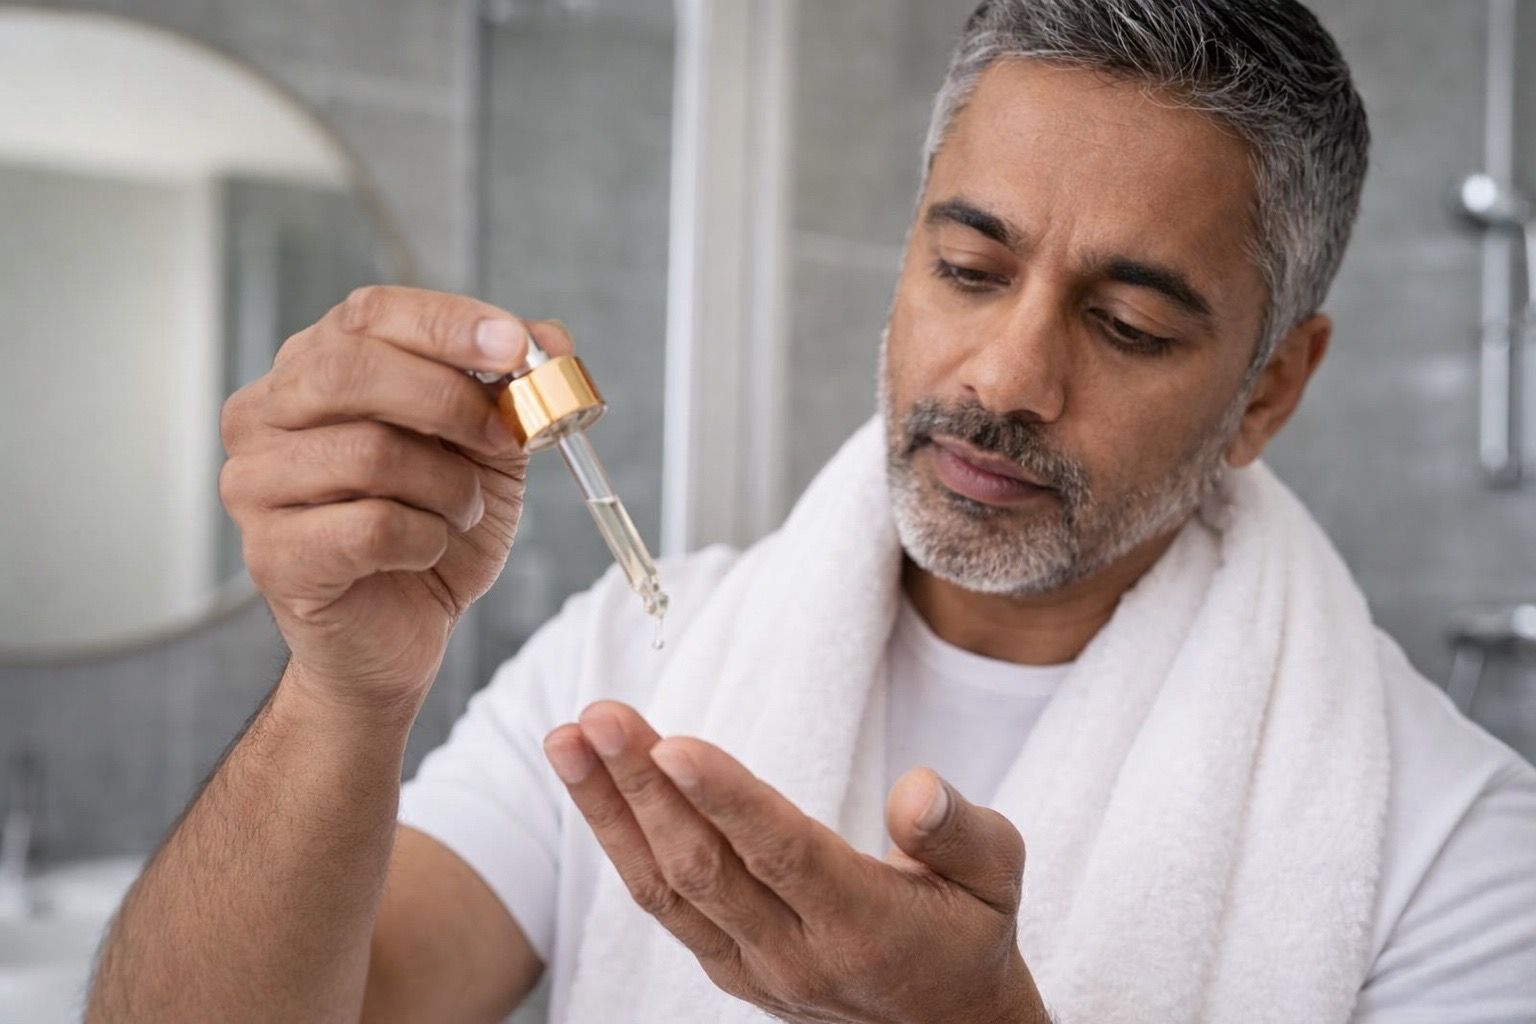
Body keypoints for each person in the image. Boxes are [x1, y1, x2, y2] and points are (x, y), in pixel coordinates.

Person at [88, 2, 1536, 1022]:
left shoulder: (1451, 847)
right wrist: (340, 695)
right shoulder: (634, 660)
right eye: (971, 269)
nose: (1007, 376)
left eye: (1131, 327)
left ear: (1272, 387)